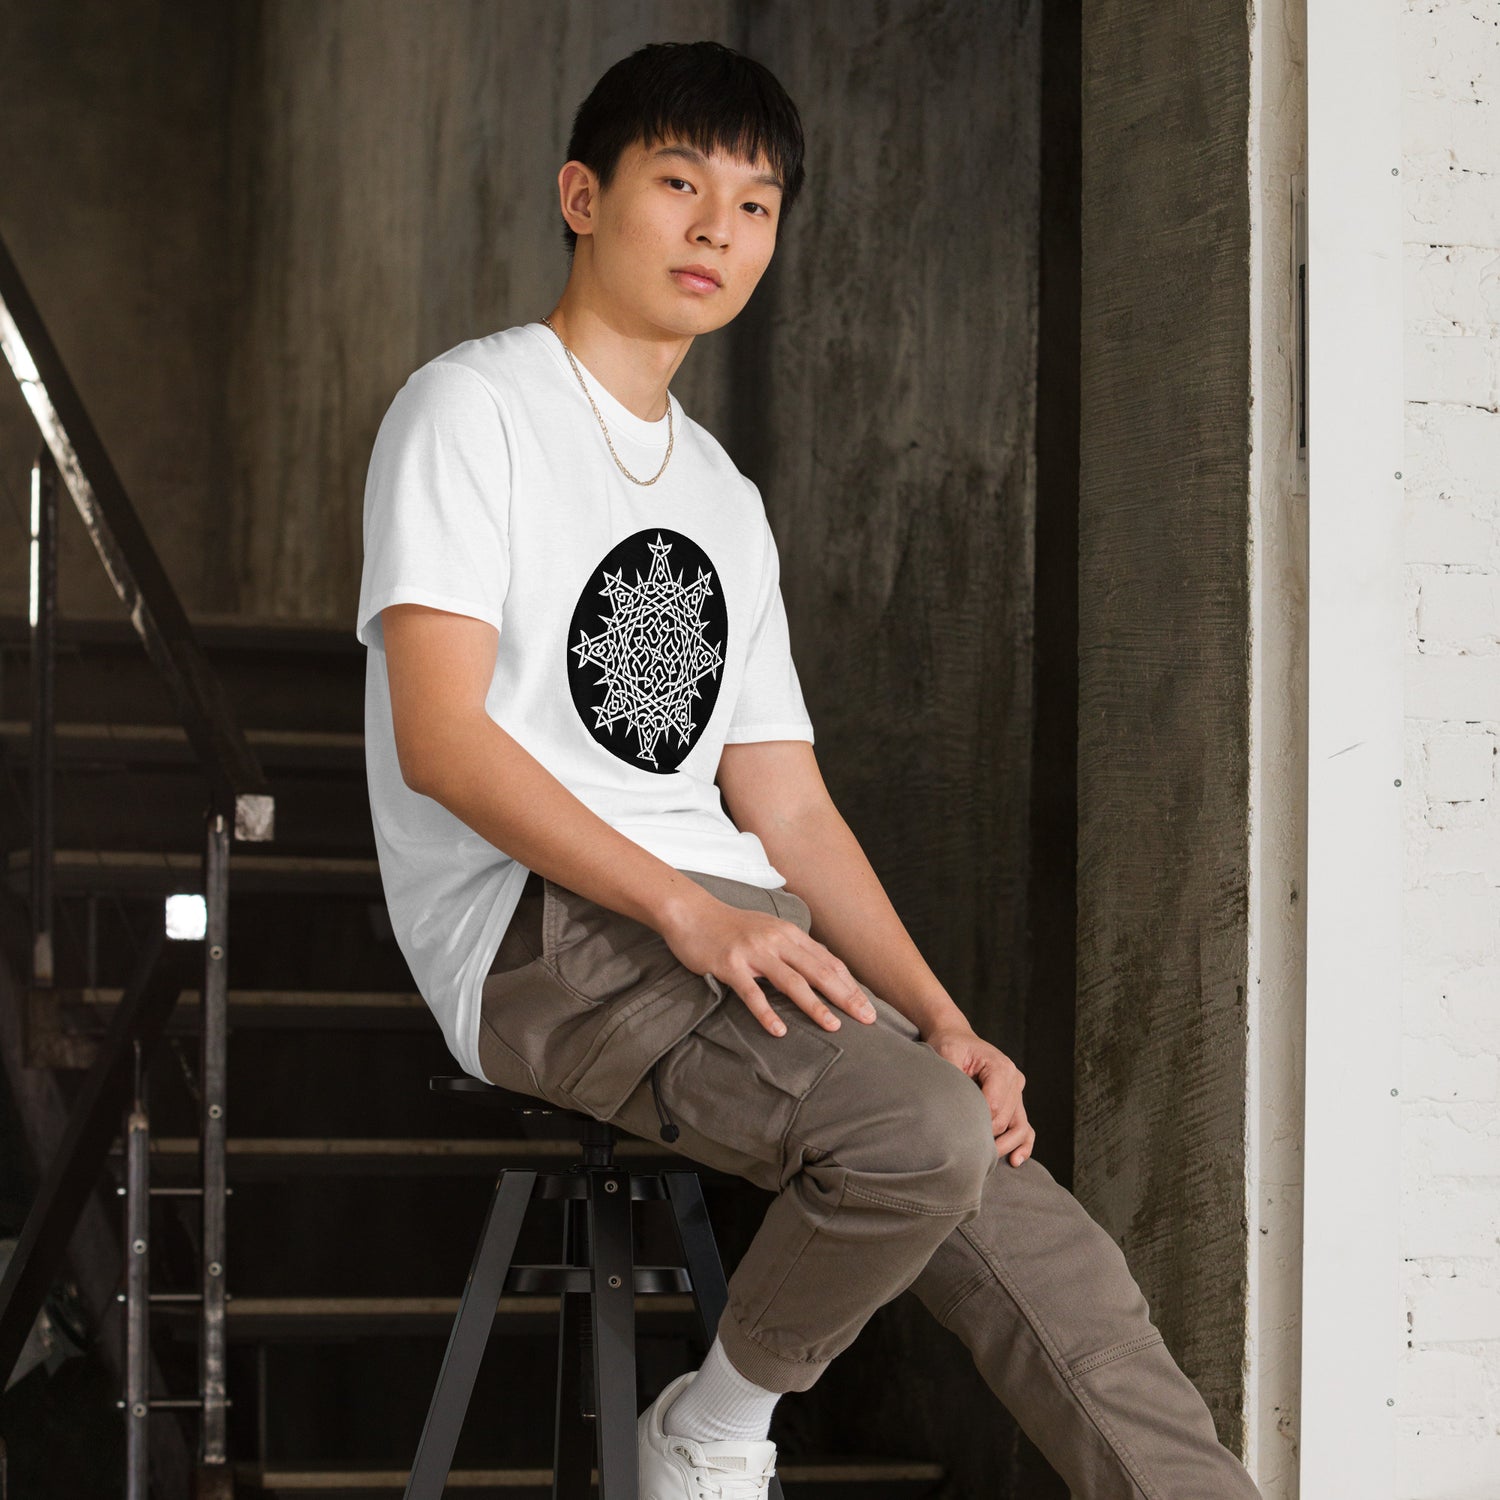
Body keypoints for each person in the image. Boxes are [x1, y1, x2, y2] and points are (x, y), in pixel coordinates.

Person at [355, 38, 1264, 1500]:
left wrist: (943, 1017)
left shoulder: (721, 491)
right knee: (911, 1134)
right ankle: (713, 1430)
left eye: (758, 203)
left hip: (724, 916)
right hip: (539, 927)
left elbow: (783, 804)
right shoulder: (472, 410)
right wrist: (690, 913)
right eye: (679, 182)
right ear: (582, 196)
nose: (721, 229)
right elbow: (443, 740)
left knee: (1048, 1243)